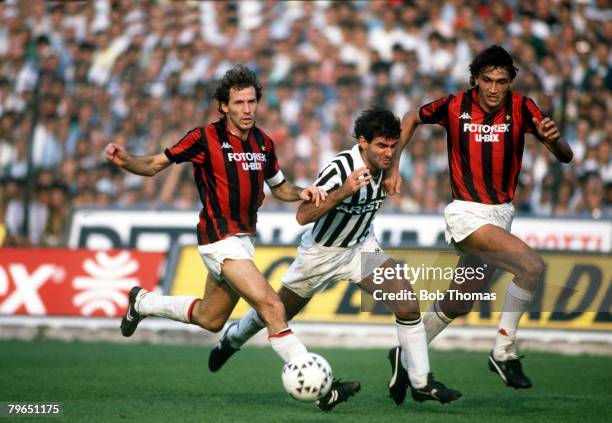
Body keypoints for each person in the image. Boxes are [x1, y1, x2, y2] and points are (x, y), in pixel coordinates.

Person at [105, 65, 340, 404]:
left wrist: (303, 192)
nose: (248, 109)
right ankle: (320, 387)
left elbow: (280, 187)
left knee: (211, 318)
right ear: (224, 106)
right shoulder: (203, 138)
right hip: (218, 240)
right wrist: (126, 160)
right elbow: (155, 165)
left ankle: (143, 302)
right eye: (239, 103)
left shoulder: (263, 142)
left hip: (243, 241)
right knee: (272, 305)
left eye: (252, 102)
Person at [208, 106, 461, 409]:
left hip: (360, 248)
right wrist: (343, 191)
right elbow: (303, 215)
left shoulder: (387, 162)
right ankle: (233, 339)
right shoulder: (341, 168)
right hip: (321, 254)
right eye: (382, 146)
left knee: (406, 301)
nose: (389, 152)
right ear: (363, 142)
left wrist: (393, 168)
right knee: (277, 312)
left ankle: (421, 381)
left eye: (393, 146)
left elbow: (409, 125)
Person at [384, 45, 574, 393]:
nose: (493, 89)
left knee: (459, 300)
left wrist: (555, 141)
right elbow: (411, 116)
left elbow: (566, 157)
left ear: (511, 81)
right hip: (466, 214)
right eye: (486, 80)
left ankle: (405, 354)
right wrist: (394, 166)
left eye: (501, 81)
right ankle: (503, 352)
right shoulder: (455, 105)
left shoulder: (522, 107)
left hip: (501, 216)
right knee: (531, 266)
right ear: (475, 79)